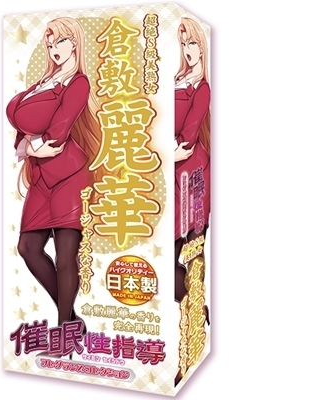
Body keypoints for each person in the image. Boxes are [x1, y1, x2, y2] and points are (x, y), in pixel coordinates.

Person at [6, 17, 104, 351]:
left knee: (65, 258)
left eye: (60, 42)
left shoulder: (78, 83)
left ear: (74, 42)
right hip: (40, 179)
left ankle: (63, 330)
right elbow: (25, 135)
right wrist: (28, 144)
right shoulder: (44, 82)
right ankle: (73, 320)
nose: (54, 49)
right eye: (49, 44)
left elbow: (57, 137)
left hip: (70, 177)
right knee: (28, 248)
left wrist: (28, 144)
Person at [174, 17, 211, 384]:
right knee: (172, 262)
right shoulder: (175, 80)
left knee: (191, 257)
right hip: (168, 176)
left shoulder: (202, 87)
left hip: (191, 174)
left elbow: (186, 139)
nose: (187, 51)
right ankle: (195, 314)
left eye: (193, 44)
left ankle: (190, 351)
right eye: (183, 44)